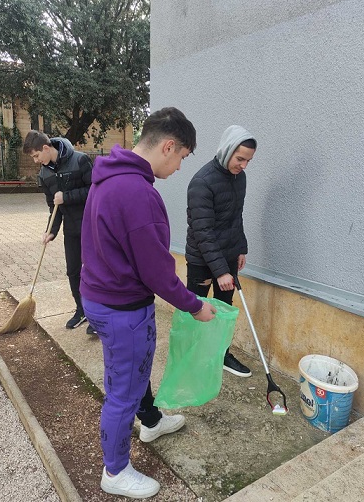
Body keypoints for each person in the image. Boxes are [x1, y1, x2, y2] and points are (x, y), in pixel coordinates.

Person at [79, 107, 216, 499]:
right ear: (169, 146)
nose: (177, 168)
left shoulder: (107, 176)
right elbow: (157, 272)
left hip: (99, 297)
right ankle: (115, 470)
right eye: (182, 159)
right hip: (123, 308)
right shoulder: (139, 193)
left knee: (129, 372)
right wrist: (194, 305)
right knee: (123, 390)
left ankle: (151, 421)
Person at [185, 124, 257, 377]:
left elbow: (235, 218)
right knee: (197, 310)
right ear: (227, 151)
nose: (244, 165)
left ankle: (221, 355)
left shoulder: (240, 178)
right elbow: (202, 232)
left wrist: (241, 249)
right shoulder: (202, 183)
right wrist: (220, 271)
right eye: (240, 159)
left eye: (248, 160)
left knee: (223, 310)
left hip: (227, 257)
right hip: (202, 261)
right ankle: (192, 358)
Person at [23, 130, 95, 334]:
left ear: (46, 148)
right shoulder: (44, 174)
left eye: (36, 156)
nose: (36, 161)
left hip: (92, 228)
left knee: (94, 271)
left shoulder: (80, 160)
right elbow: (53, 208)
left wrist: (67, 197)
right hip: (71, 230)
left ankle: (98, 315)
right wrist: (50, 231)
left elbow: (95, 191)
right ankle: (81, 310)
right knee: (73, 271)